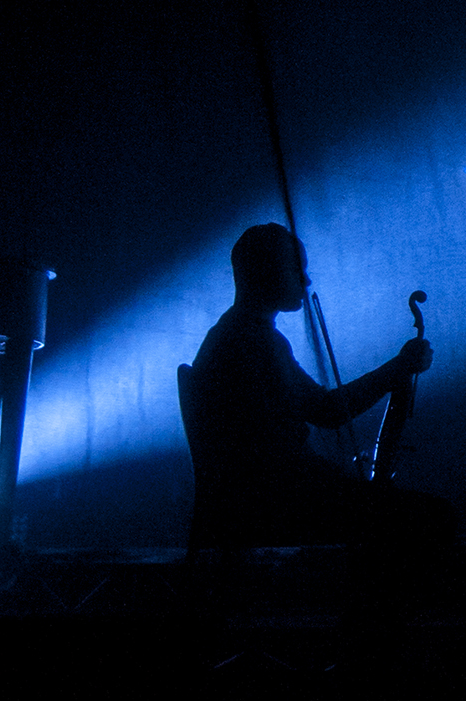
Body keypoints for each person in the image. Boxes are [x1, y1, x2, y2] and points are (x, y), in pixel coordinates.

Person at [187, 222, 437, 546]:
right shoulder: (254, 342)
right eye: (297, 270)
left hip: (261, 502)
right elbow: (328, 411)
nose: (306, 281)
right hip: (277, 507)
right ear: (266, 272)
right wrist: (398, 367)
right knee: (434, 518)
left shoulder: (234, 334)